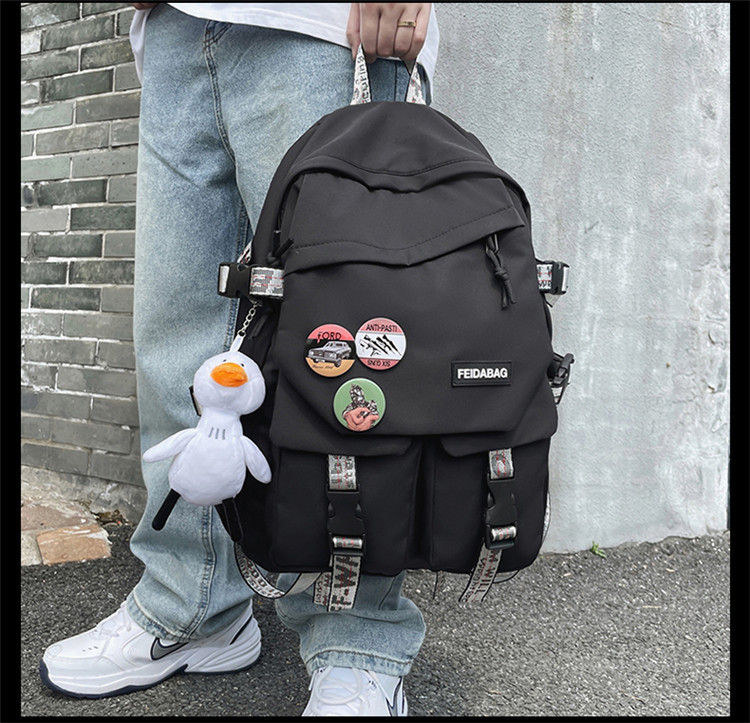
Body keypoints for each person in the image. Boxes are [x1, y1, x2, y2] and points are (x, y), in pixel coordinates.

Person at [39, 3, 439, 717]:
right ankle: (192, 606)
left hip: (324, 28)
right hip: (175, 28)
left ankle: (359, 642)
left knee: (346, 349)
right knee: (181, 346)